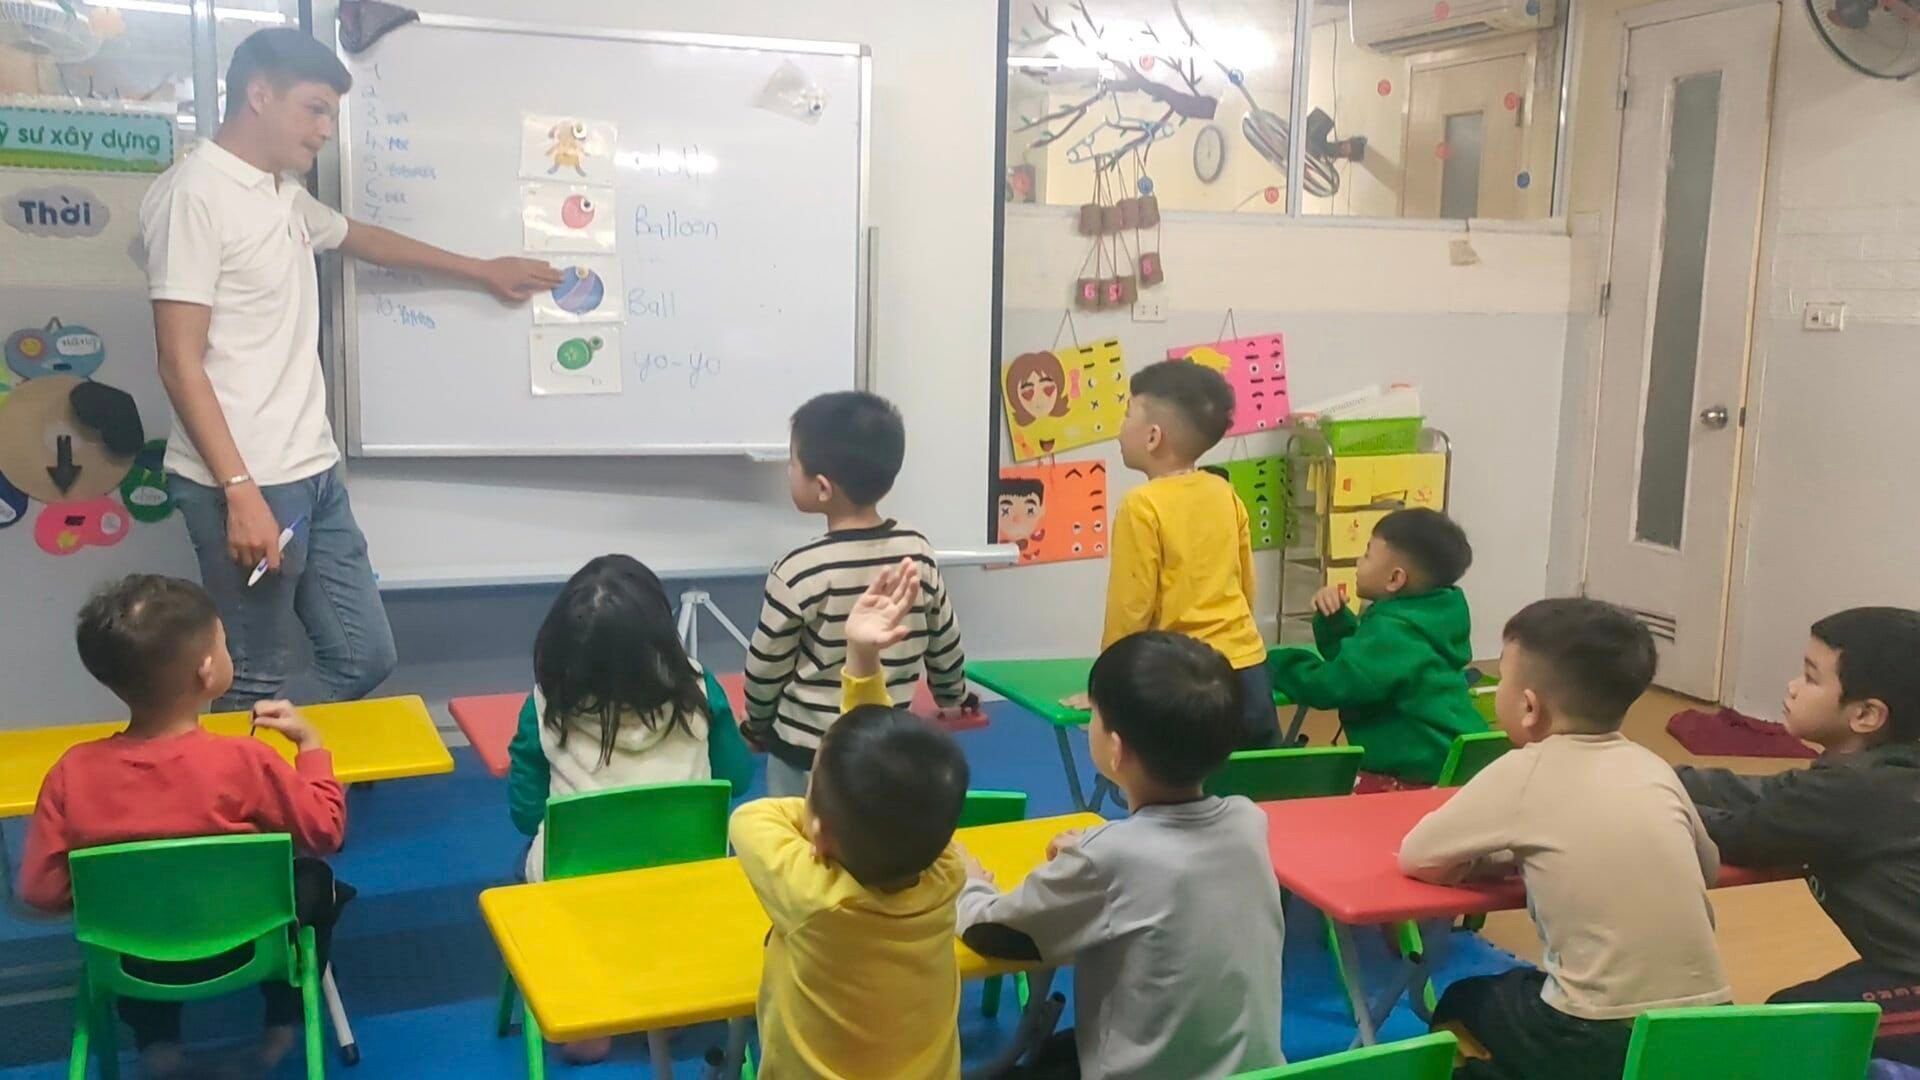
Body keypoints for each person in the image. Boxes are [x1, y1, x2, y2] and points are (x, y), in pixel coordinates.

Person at [141, 29, 560, 710]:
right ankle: (235, 771)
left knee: (363, 655)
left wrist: (480, 270)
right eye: (314, 110)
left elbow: (361, 237)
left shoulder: (280, 194)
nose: (325, 132)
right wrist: (240, 491)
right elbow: (178, 359)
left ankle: (267, 750)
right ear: (259, 95)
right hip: (243, 481)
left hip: (311, 469)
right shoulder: (195, 195)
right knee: (252, 672)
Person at [18, 575, 353, 1079]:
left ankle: (157, 1045)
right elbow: (326, 831)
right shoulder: (247, 760)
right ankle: (280, 1029)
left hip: (132, 961)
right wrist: (311, 748)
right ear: (207, 670)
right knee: (317, 881)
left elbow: (39, 892)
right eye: (224, 642)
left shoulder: (71, 772)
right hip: (248, 948)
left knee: (134, 904)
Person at [1400, 598, 1730, 1080]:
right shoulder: (1653, 767)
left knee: (1465, 998)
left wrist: (1488, 860)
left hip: (1590, 1032)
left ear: (1529, 707)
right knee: (1529, 990)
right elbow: (1708, 868)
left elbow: (1418, 856)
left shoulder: (1524, 770)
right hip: (1709, 1026)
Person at [956, 631, 1286, 1079]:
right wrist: (1097, 850)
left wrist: (969, 883)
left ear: (1115, 749)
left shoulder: (1107, 859)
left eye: (1094, 713)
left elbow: (993, 933)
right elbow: (1161, 863)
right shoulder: (1249, 823)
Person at [731, 559, 971, 1078]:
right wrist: (862, 657)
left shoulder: (813, 895)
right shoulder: (946, 870)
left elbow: (751, 819)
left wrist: (822, 815)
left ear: (818, 831)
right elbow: (879, 777)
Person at [1678, 607, 1920, 1065]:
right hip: (1902, 968)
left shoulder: (1852, 790)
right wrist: (1646, 771)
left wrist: (1638, 792)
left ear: (1866, 714)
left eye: (1810, 678)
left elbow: (1739, 832)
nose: (1792, 686)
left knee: (1787, 1028)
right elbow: (1764, 794)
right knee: (1791, 1016)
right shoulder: (1875, 774)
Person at [742, 391, 971, 796]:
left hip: (806, 754)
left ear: (823, 488)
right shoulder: (917, 553)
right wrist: (953, 695)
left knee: (798, 831)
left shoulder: (796, 571)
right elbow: (944, 640)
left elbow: (766, 667)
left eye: (793, 463)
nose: (789, 471)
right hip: (884, 748)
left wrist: (756, 725)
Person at [1101, 360, 1273, 747]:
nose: (1119, 429)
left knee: (1171, 777)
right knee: (1255, 777)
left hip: (1181, 680)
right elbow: (1246, 584)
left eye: (1127, 414)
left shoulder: (1141, 505)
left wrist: (1106, 685)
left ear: (1153, 437)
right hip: (1248, 668)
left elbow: (1131, 607)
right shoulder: (1224, 492)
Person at [1268, 507, 1484, 785]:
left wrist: (1276, 663)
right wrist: (1334, 620)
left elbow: (1333, 685)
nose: (1359, 562)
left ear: (1395, 579)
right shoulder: (1426, 617)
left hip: (1425, 776)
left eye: (1367, 554)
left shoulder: (1393, 632)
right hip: (1458, 762)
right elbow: (1364, 667)